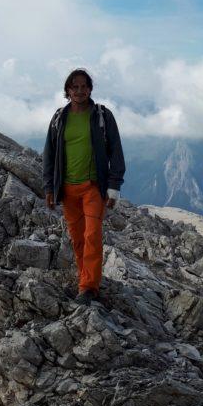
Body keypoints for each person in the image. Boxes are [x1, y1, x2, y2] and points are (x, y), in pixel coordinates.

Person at [42, 68, 125, 305]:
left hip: (93, 188)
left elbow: (116, 151)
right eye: (74, 87)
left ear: (90, 89)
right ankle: (84, 279)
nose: (79, 91)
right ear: (67, 91)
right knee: (78, 238)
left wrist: (114, 186)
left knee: (92, 235)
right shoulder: (60, 117)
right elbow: (49, 154)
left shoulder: (102, 116)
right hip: (67, 189)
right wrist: (50, 188)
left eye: (83, 86)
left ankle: (89, 287)